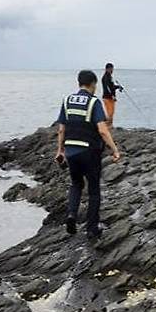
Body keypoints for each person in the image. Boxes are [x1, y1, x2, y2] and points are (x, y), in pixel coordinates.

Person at [55, 70, 121, 238]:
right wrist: (114, 150)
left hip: (71, 151)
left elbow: (61, 129)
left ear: (79, 83)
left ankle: (71, 215)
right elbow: (102, 130)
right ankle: (92, 229)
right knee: (93, 191)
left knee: (76, 185)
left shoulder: (67, 100)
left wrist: (60, 151)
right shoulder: (93, 102)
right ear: (93, 84)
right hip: (89, 152)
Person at [101, 62, 123, 127]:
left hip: (110, 97)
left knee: (112, 112)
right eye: (111, 69)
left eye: (112, 69)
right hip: (107, 97)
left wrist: (118, 87)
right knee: (110, 112)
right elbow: (108, 87)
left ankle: (110, 125)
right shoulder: (105, 77)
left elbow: (112, 86)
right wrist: (112, 95)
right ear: (108, 69)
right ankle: (106, 125)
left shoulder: (110, 76)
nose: (112, 70)